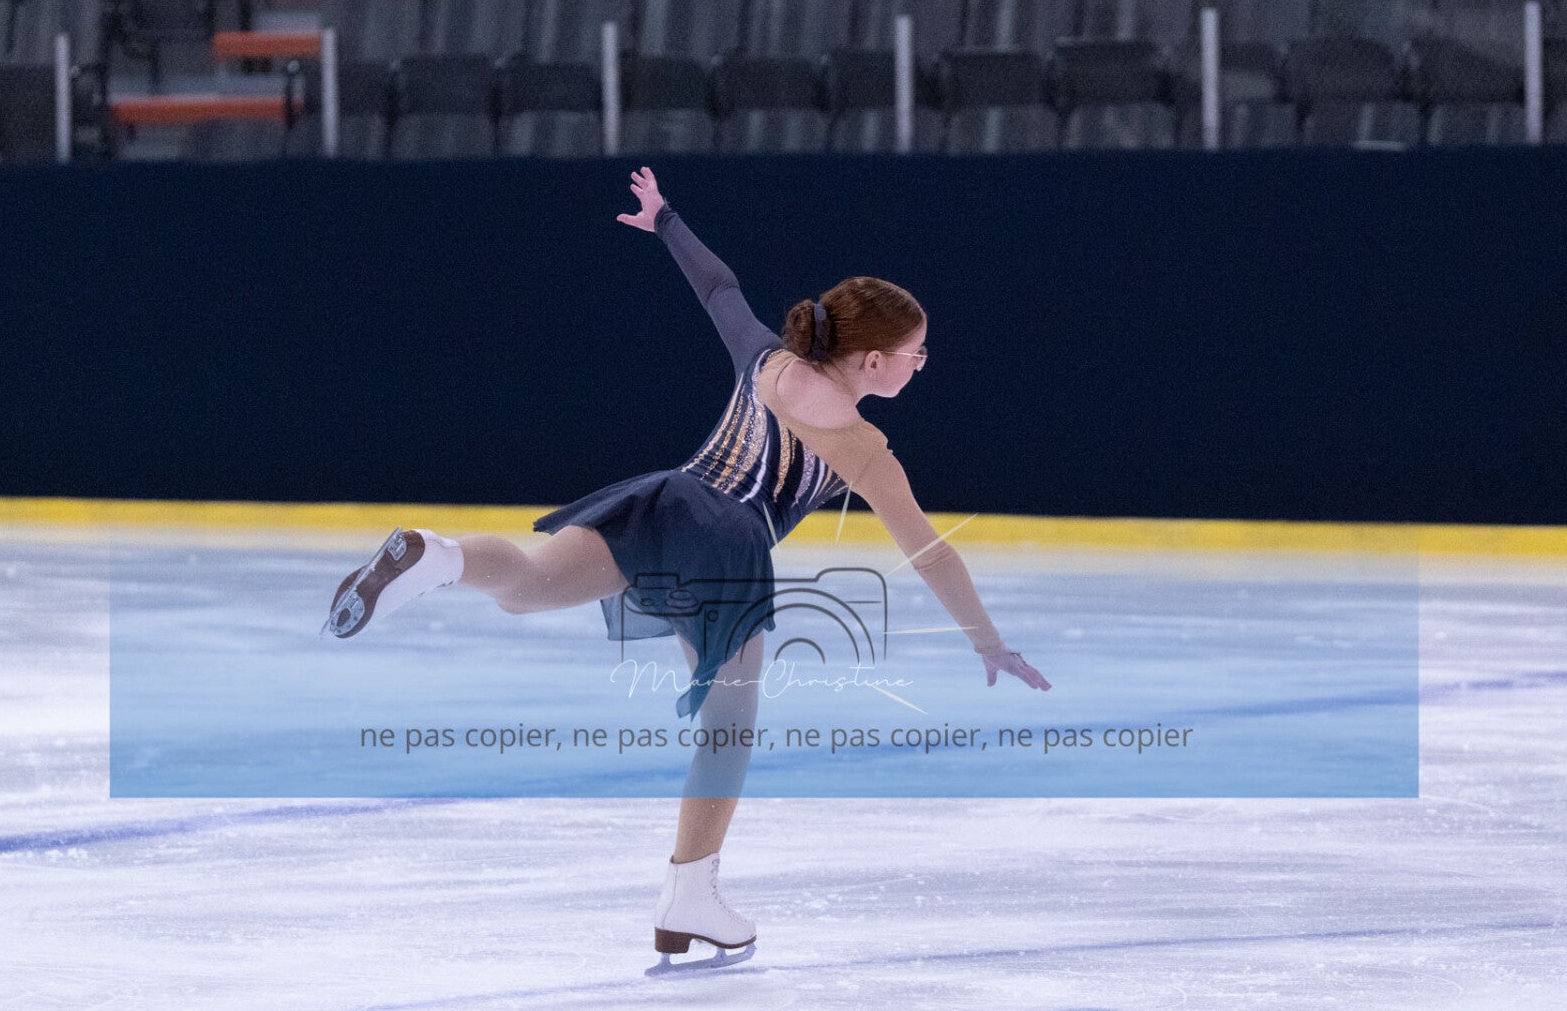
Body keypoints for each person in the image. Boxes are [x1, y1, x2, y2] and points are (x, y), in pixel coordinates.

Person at [323, 166, 1050, 972]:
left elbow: (719, 289)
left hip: (665, 502)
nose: (921, 365)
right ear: (874, 362)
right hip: (726, 543)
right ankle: (689, 893)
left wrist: (667, 219)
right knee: (728, 725)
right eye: (916, 354)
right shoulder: (861, 446)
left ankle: (437, 555)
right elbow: (930, 552)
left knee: (525, 585)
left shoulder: (767, 362)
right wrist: (988, 642)